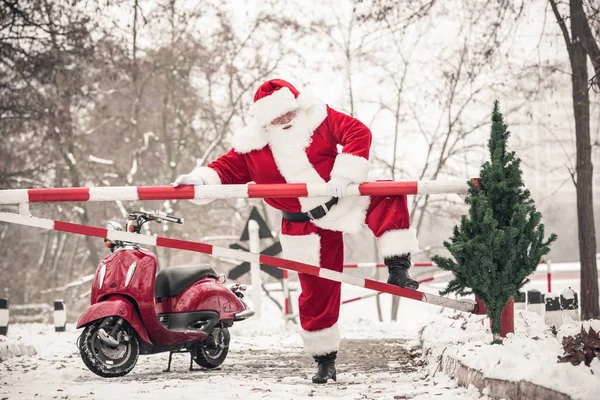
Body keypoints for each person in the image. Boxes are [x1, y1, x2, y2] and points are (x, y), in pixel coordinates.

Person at [172, 79, 420, 384]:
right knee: (317, 292)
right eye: (277, 119)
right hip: (302, 225)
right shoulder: (252, 146)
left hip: (340, 201)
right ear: (265, 122)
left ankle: (398, 267)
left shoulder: (321, 118)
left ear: (296, 107)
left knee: (388, 192)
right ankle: (325, 361)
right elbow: (223, 169)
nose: (285, 122)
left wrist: (346, 172)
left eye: (288, 114)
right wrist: (198, 180)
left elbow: (358, 132)